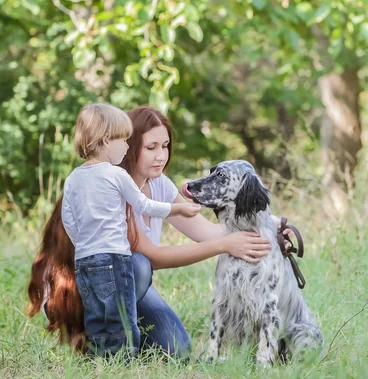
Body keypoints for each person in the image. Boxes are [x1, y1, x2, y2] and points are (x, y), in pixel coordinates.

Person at [28, 105, 274, 359]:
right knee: (139, 265)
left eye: (165, 146)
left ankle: (121, 337)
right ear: (128, 146)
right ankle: (98, 339)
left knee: (177, 350)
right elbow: (153, 257)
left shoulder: (158, 185)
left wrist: (273, 228)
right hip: (78, 287)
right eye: (151, 147)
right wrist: (225, 245)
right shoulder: (111, 186)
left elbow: (209, 232)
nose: (161, 156)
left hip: (126, 285)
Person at [62, 103, 202, 357]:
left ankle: (97, 355)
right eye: (124, 141)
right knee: (121, 313)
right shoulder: (117, 176)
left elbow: (68, 218)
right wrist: (177, 209)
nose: (126, 147)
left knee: (97, 313)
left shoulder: (73, 177)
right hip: (114, 257)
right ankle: (123, 358)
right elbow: (143, 205)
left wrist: (82, 243)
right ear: (105, 141)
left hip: (84, 258)